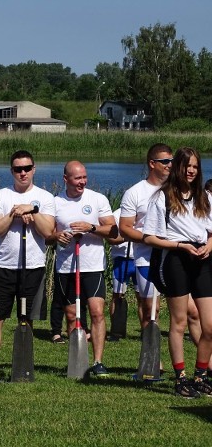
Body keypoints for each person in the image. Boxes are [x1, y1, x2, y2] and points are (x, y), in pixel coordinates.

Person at [0, 150, 55, 381]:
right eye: (18, 169)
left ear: (34, 169)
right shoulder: (0, 196)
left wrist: (33, 211)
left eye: (27, 168)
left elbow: (48, 232)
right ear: (11, 171)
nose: (23, 173)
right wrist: (13, 213)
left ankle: (23, 366)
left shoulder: (45, 198)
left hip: (33, 267)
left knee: (26, 319)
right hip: (4, 266)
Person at [143, 147, 212, 398]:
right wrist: (180, 246)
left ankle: (201, 375)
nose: (191, 170)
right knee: (179, 322)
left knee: (210, 325)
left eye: (195, 166)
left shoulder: (205, 197)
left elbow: (211, 231)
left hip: (202, 259)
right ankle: (181, 378)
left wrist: (208, 246)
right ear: (177, 168)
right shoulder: (162, 198)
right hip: (175, 258)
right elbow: (150, 237)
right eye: (187, 165)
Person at [50, 160, 117, 376]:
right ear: (66, 179)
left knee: (97, 312)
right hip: (66, 267)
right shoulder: (55, 202)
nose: (82, 182)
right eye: (77, 178)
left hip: (92, 265)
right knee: (72, 316)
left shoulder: (97, 199)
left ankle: (98, 362)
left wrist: (91, 227)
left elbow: (114, 231)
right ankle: (77, 362)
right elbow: (48, 236)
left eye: (84, 177)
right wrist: (58, 236)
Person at [118, 143, 172, 333]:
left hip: (173, 256)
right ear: (152, 163)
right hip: (146, 258)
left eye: (172, 161)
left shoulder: (176, 189)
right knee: (151, 309)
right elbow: (124, 228)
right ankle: (152, 358)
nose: (169, 165)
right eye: (165, 161)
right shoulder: (135, 192)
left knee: (190, 311)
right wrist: (149, 239)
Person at [106, 208, 136, 341]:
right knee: (117, 296)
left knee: (143, 298)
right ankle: (115, 331)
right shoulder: (117, 215)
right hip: (122, 259)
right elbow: (111, 238)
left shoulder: (145, 212)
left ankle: (146, 332)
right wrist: (127, 236)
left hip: (140, 259)